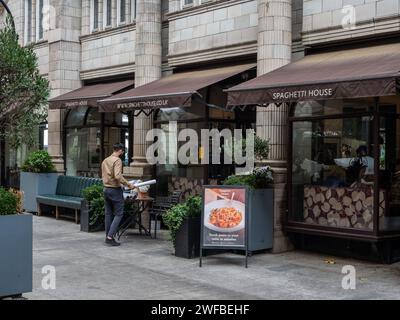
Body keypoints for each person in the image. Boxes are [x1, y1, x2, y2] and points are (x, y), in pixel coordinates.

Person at [101, 143, 134, 246]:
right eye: (123, 151)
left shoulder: (105, 160)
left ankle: (108, 235)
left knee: (108, 214)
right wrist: (128, 184)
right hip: (115, 190)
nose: (123, 153)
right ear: (120, 150)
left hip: (106, 189)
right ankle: (110, 237)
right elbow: (117, 176)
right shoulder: (117, 160)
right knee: (119, 214)